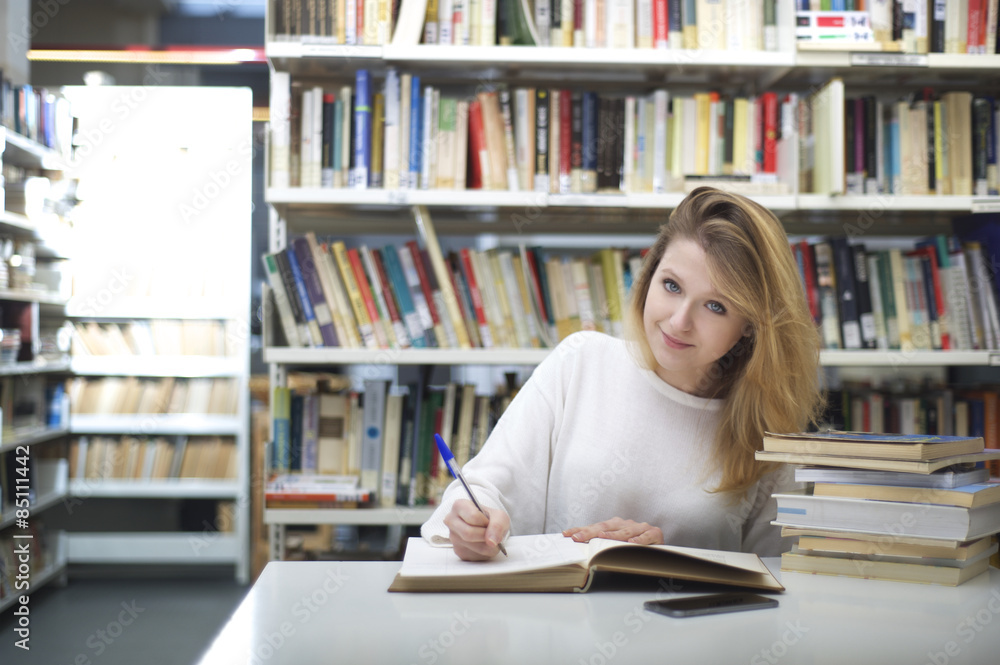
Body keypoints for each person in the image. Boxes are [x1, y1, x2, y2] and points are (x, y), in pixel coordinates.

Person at [421, 187, 825, 561]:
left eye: (715, 306)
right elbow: (485, 487)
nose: (679, 321)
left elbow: (775, 580)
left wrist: (666, 563)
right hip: (554, 612)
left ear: (752, 325)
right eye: (671, 286)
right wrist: (473, 523)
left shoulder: (769, 434)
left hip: (691, 619)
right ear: (649, 276)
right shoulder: (580, 362)